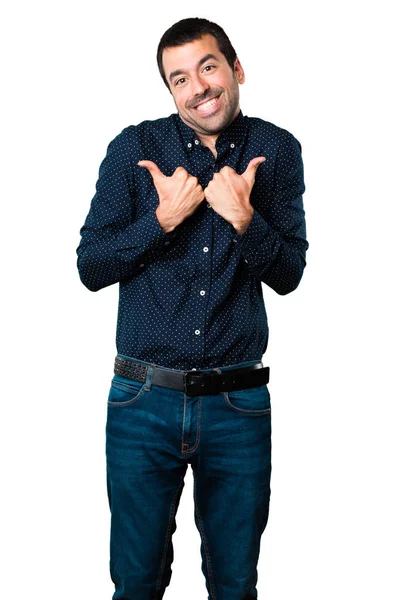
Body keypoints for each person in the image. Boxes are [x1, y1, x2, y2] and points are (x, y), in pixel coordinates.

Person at [76, 16, 308, 600]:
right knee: (135, 585)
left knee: (234, 585)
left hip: (239, 404)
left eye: (208, 67)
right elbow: (91, 267)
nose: (198, 87)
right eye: (179, 78)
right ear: (171, 91)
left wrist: (245, 221)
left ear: (236, 70)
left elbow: (289, 275)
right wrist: (161, 220)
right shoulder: (135, 149)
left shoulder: (276, 150)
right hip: (141, 402)